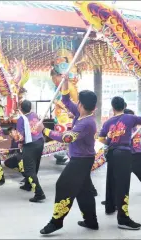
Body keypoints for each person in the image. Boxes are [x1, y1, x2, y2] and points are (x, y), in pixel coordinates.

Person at [37, 78, 99, 235]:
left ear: (81, 105)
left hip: (81, 161)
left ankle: (56, 221)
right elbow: (65, 99)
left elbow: (67, 138)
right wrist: (64, 82)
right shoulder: (81, 114)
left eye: (78, 102)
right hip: (81, 159)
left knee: (63, 186)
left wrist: (44, 130)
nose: (76, 104)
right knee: (84, 191)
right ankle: (91, 221)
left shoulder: (87, 123)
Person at [98, 96, 141, 230]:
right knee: (123, 185)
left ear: (112, 107)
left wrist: (110, 141)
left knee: (111, 180)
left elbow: (101, 138)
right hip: (124, 154)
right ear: (125, 106)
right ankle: (123, 218)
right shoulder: (130, 118)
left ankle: (110, 207)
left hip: (112, 153)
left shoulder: (108, 122)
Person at [16, 100, 46, 202]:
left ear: (20, 108)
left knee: (29, 169)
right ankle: (28, 185)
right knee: (35, 165)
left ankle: (39, 193)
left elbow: (20, 137)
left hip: (30, 145)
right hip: (40, 142)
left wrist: (18, 142)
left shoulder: (21, 119)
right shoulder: (34, 114)